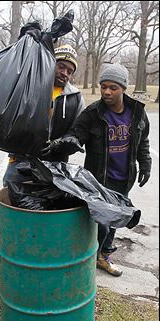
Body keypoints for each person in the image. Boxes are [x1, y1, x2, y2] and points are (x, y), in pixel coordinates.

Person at [44, 63, 152, 277]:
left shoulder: (137, 113)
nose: (107, 92)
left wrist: (146, 164)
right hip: (99, 179)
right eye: (103, 87)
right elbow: (76, 133)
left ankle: (102, 254)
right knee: (100, 221)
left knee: (115, 218)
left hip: (124, 178)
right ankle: (89, 255)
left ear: (123, 88)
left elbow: (143, 141)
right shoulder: (93, 113)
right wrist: (60, 144)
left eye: (113, 87)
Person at [3, 44, 85, 186]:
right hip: (21, 162)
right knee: (12, 202)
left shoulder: (76, 98)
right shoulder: (32, 86)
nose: (65, 73)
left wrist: (59, 143)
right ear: (51, 64)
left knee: (47, 207)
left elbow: (78, 131)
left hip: (55, 167)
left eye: (70, 71)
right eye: (61, 67)